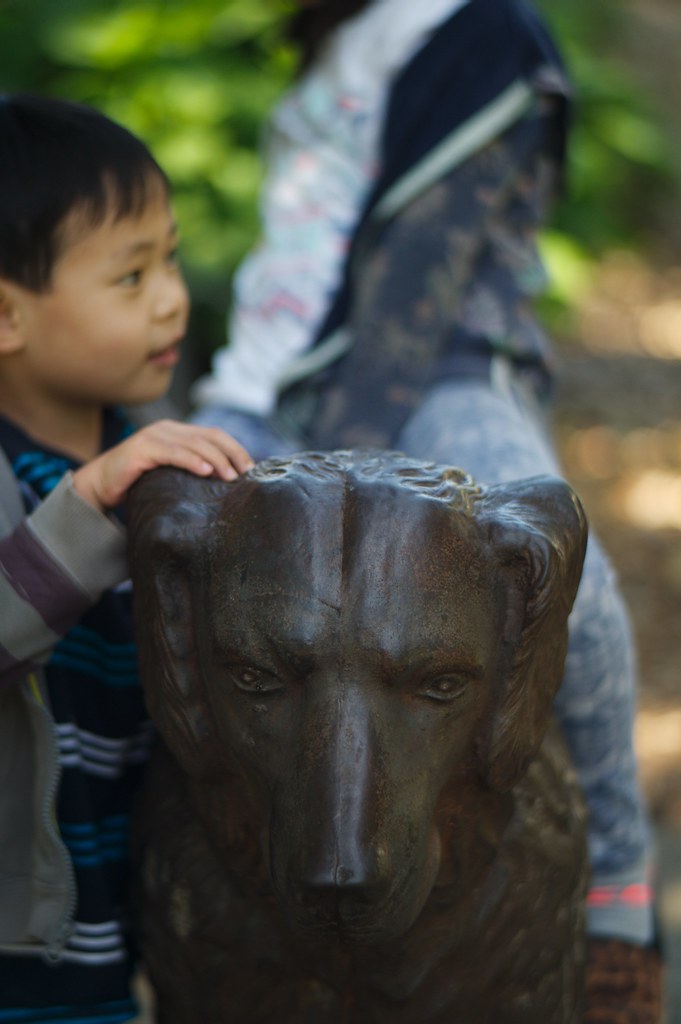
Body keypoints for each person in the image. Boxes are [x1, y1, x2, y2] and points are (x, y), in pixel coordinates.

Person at [190, 0, 663, 1016]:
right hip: (277, 389)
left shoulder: (483, 32)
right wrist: (226, 410)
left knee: (575, 588)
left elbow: (422, 279)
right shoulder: (330, 48)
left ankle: (623, 885)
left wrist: (333, 476)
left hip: (441, 371)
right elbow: (294, 262)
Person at [0, 93, 252, 1023]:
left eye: (172, 258)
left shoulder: (154, 463)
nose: (173, 297)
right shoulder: (61, 485)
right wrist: (82, 514)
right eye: (131, 276)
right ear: (6, 316)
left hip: (109, 940)